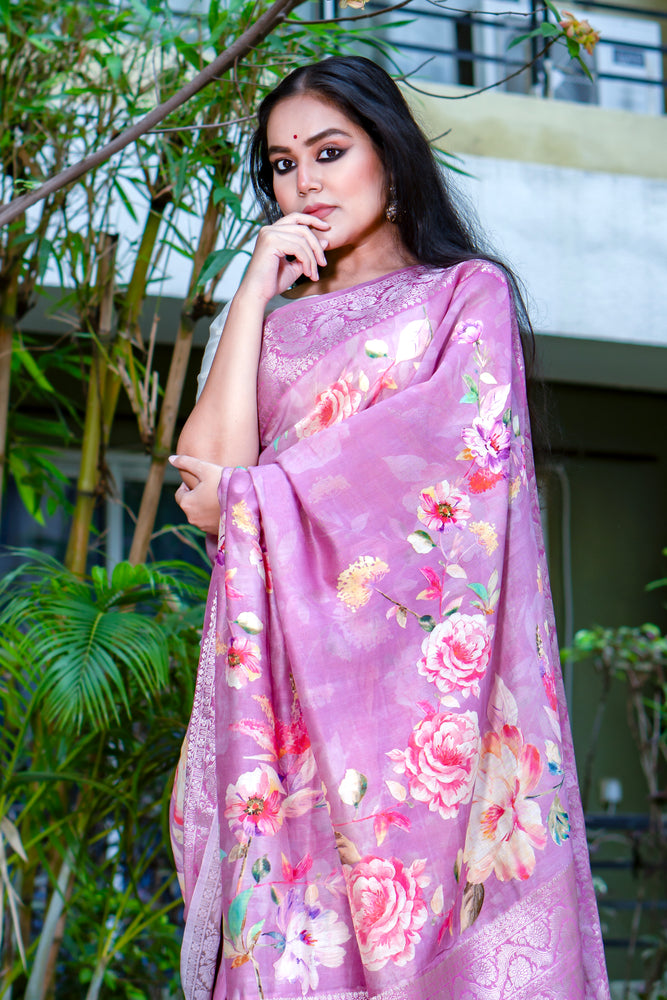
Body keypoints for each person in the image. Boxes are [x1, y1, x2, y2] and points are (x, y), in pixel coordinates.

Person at [168, 56, 610, 1000]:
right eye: (283, 165)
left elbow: (453, 473)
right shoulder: (280, 326)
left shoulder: (464, 298)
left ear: (390, 155)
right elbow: (205, 470)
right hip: (283, 690)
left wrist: (251, 499)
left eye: (330, 152)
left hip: (413, 707)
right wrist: (252, 290)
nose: (307, 182)